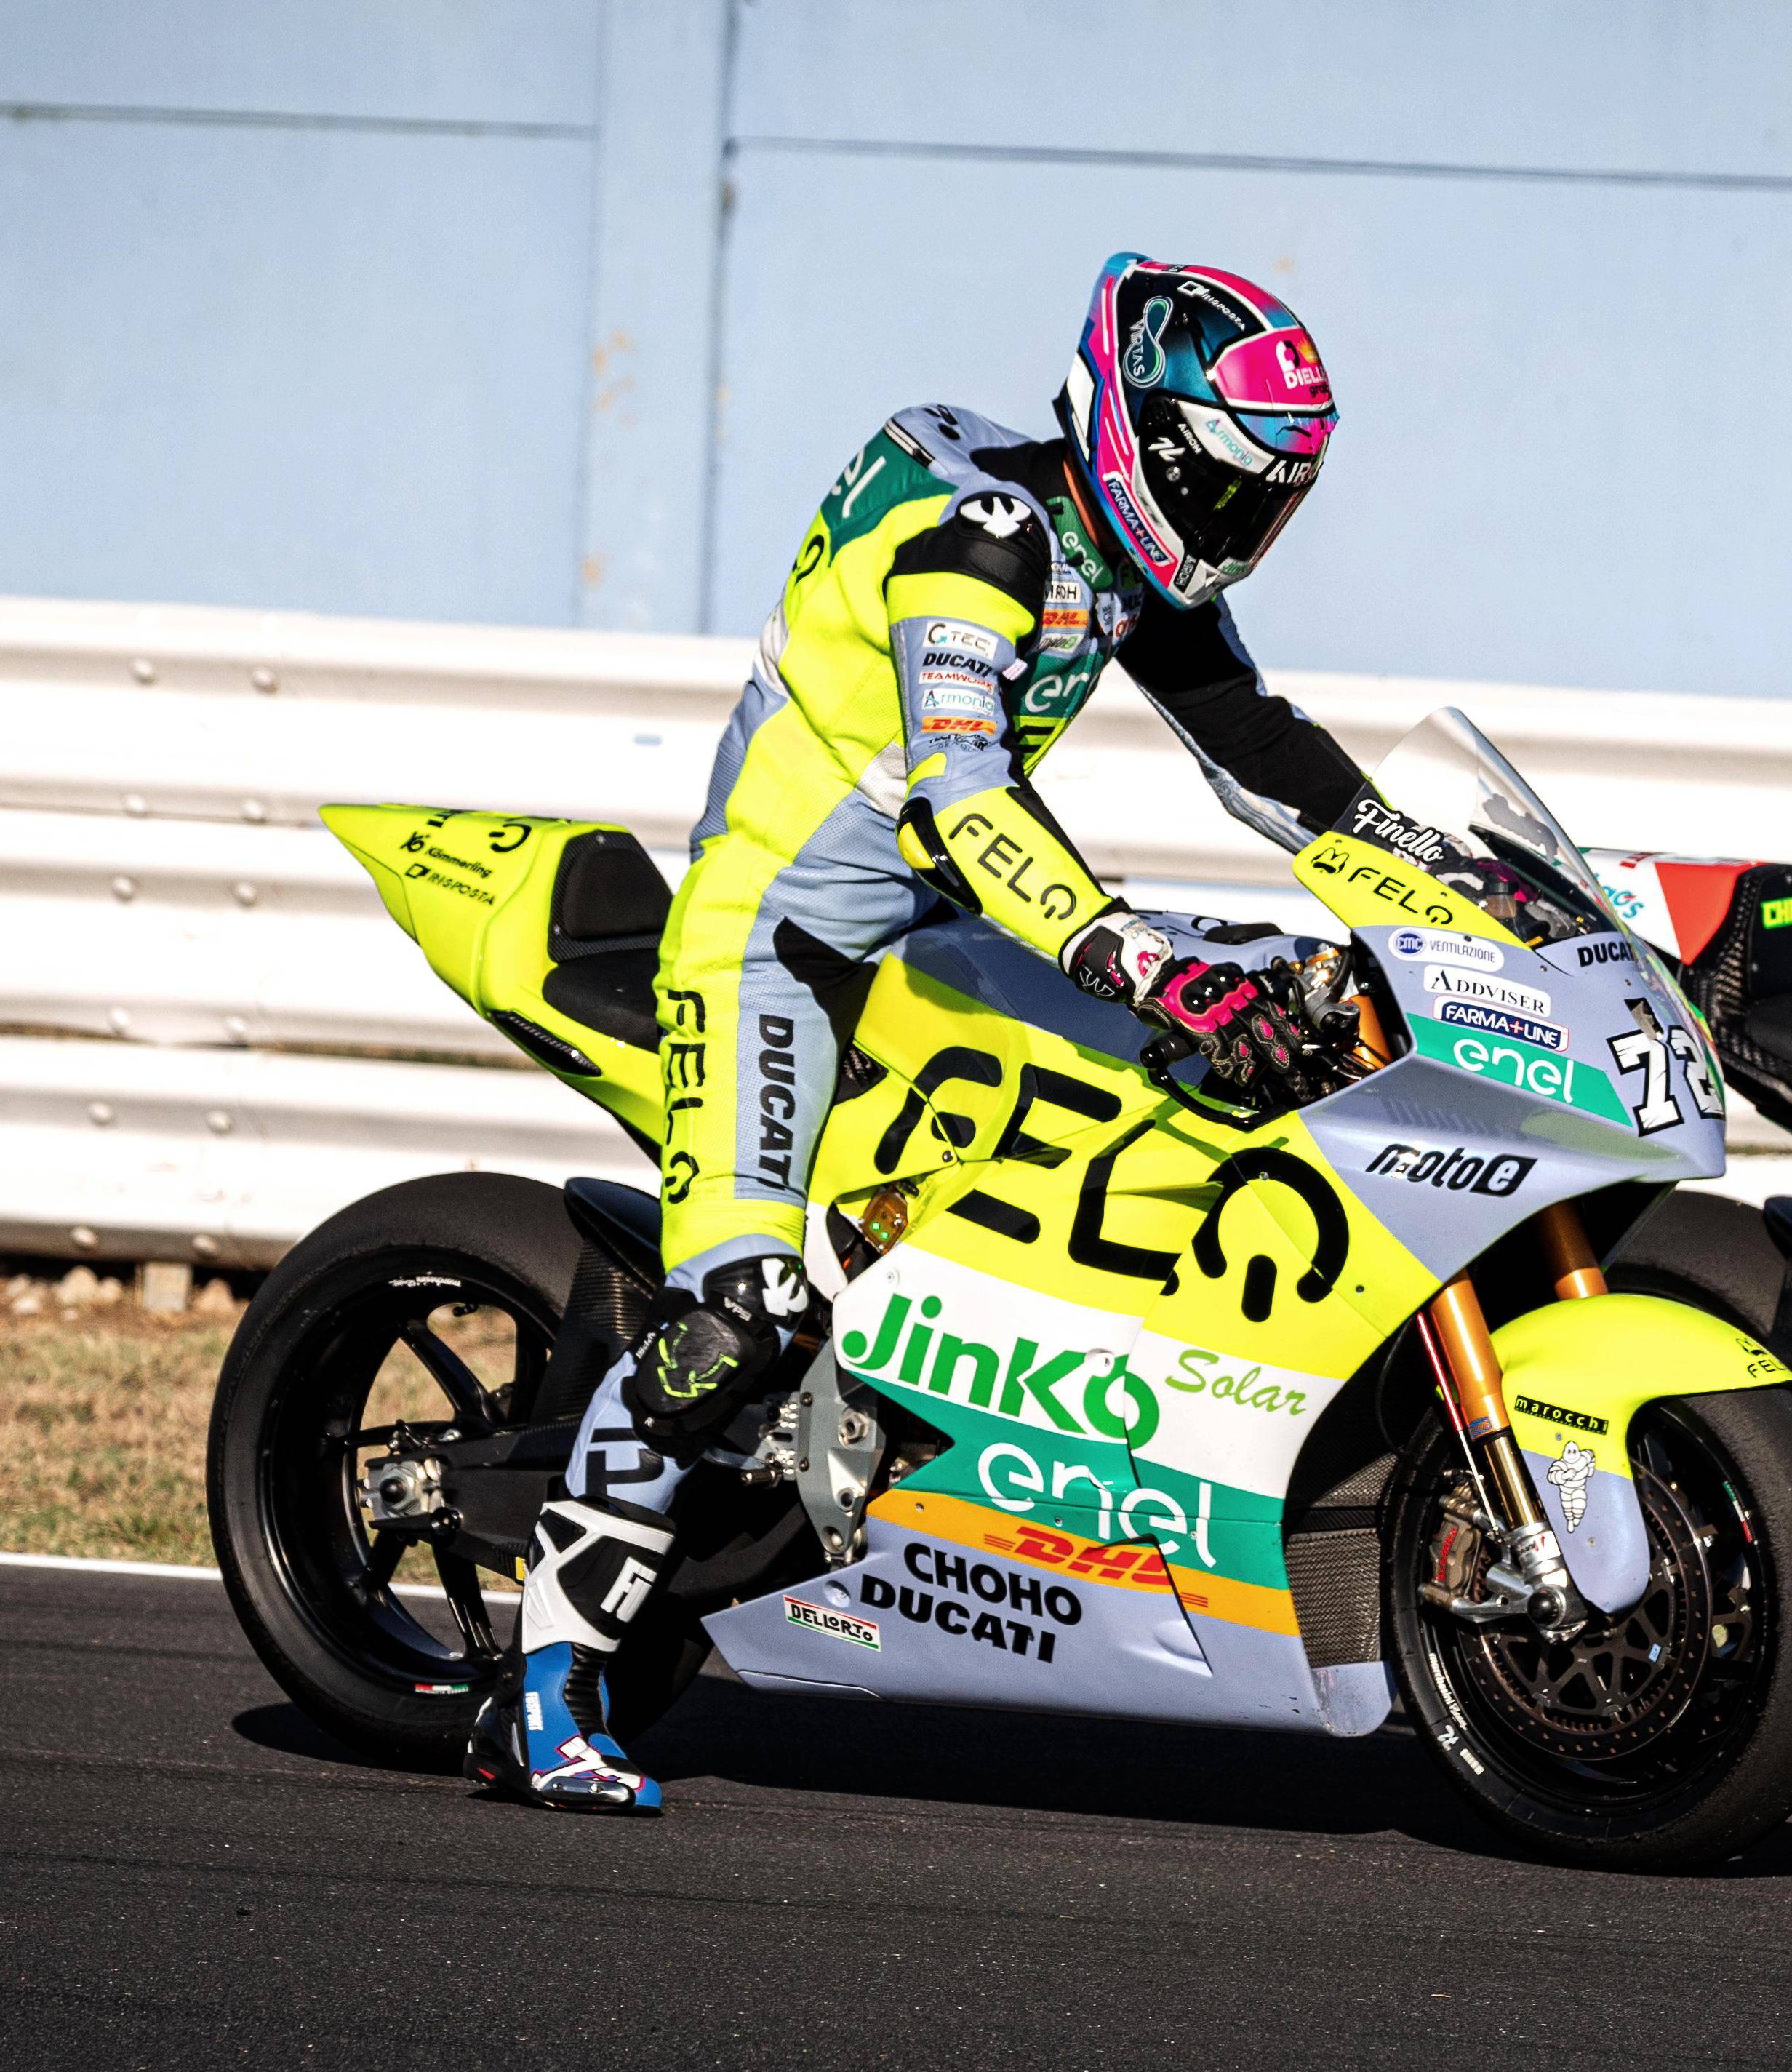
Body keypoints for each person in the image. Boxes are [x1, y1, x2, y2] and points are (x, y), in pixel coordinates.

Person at [473, 254, 1371, 1813]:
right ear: (1137, 435)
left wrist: (1450, 875)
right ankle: (545, 1679)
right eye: (1217, 484)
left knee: (1230, 1061)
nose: (1234, 525)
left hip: (936, 937)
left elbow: (1262, 752)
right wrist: (1124, 948)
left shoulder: (1121, 565)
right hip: (779, 945)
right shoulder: (983, 541)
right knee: (744, 1310)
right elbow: (962, 792)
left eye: (1265, 500)